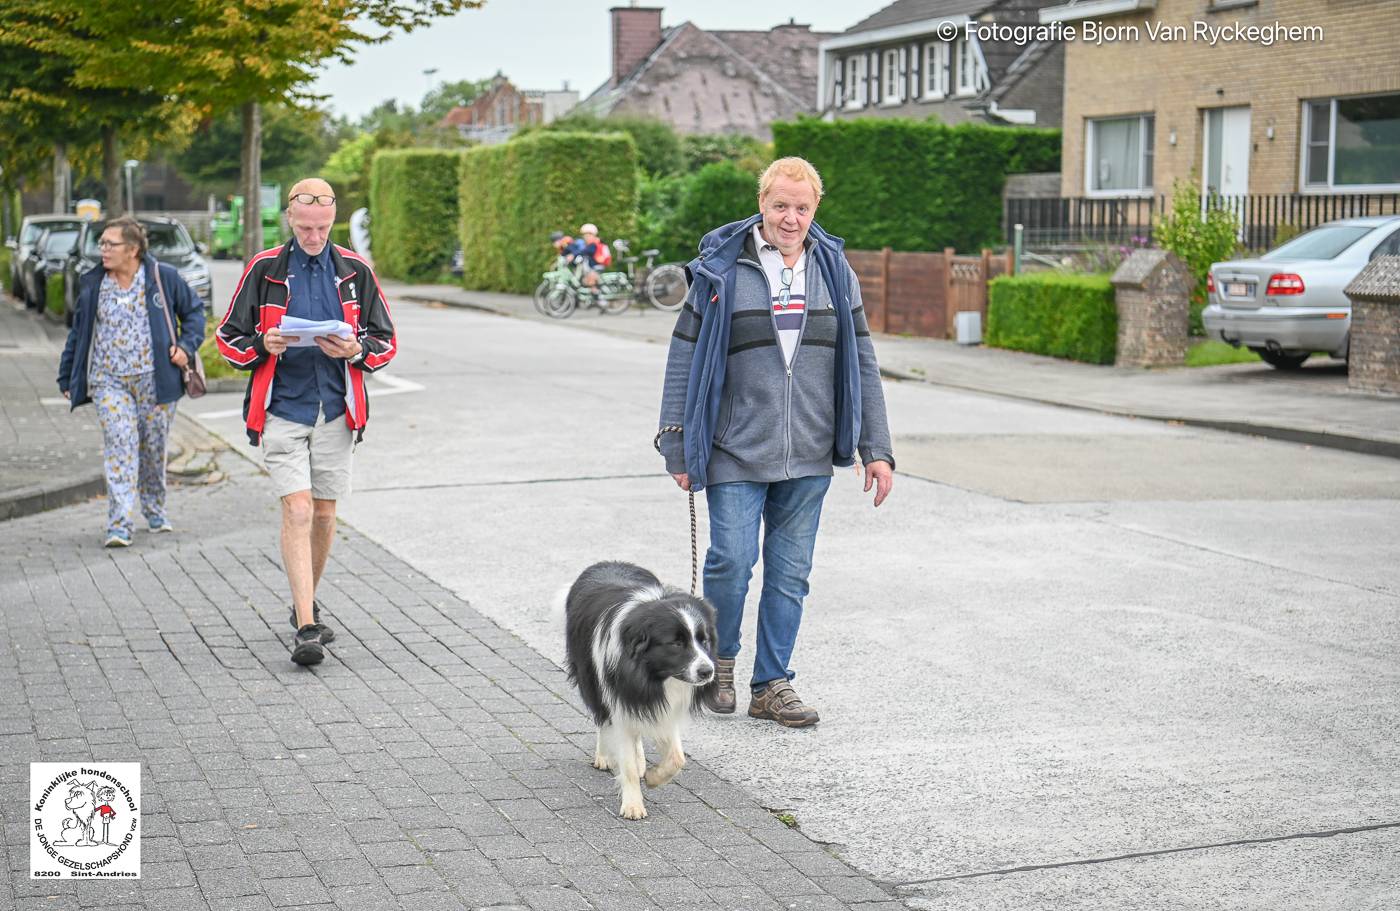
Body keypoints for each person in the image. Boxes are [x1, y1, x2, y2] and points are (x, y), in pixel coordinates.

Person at [657, 157, 895, 728]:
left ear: (816, 209)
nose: (791, 218)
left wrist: (876, 447)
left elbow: (862, 360)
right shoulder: (721, 271)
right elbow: (683, 356)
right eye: (781, 206)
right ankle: (721, 662)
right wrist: (676, 442)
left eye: (803, 208)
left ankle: (773, 684)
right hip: (735, 447)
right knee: (731, 562)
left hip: (811, 450)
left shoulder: (835, 270)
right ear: (762, 203)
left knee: (791, 574)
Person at [215, 178, 397, 667]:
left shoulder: (355, 271)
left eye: (322, 227)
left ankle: (305, 601)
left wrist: (357, 350)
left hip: (337, 409)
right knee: (296, 510)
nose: (314, 236)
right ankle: (306, 624)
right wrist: (262, 345)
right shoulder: (265, 268)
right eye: (306, 227)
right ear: (291, 219)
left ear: (332, 219)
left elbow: (385, 341)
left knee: (322, 514)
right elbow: (228, 336)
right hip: (282, 408)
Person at [57, 215, 205, 548]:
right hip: (109, 380)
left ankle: (154, 507)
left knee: (153, 448)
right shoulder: (94, 283)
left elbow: (194, 313)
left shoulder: (161, 277)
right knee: (120, 445)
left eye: (111, 244)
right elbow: (79, 333)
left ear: (133, 249)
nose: (103, 250)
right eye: (102, 244)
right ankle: (120, 523)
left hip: (156, 380)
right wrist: (67, 374)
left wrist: (185, 347)